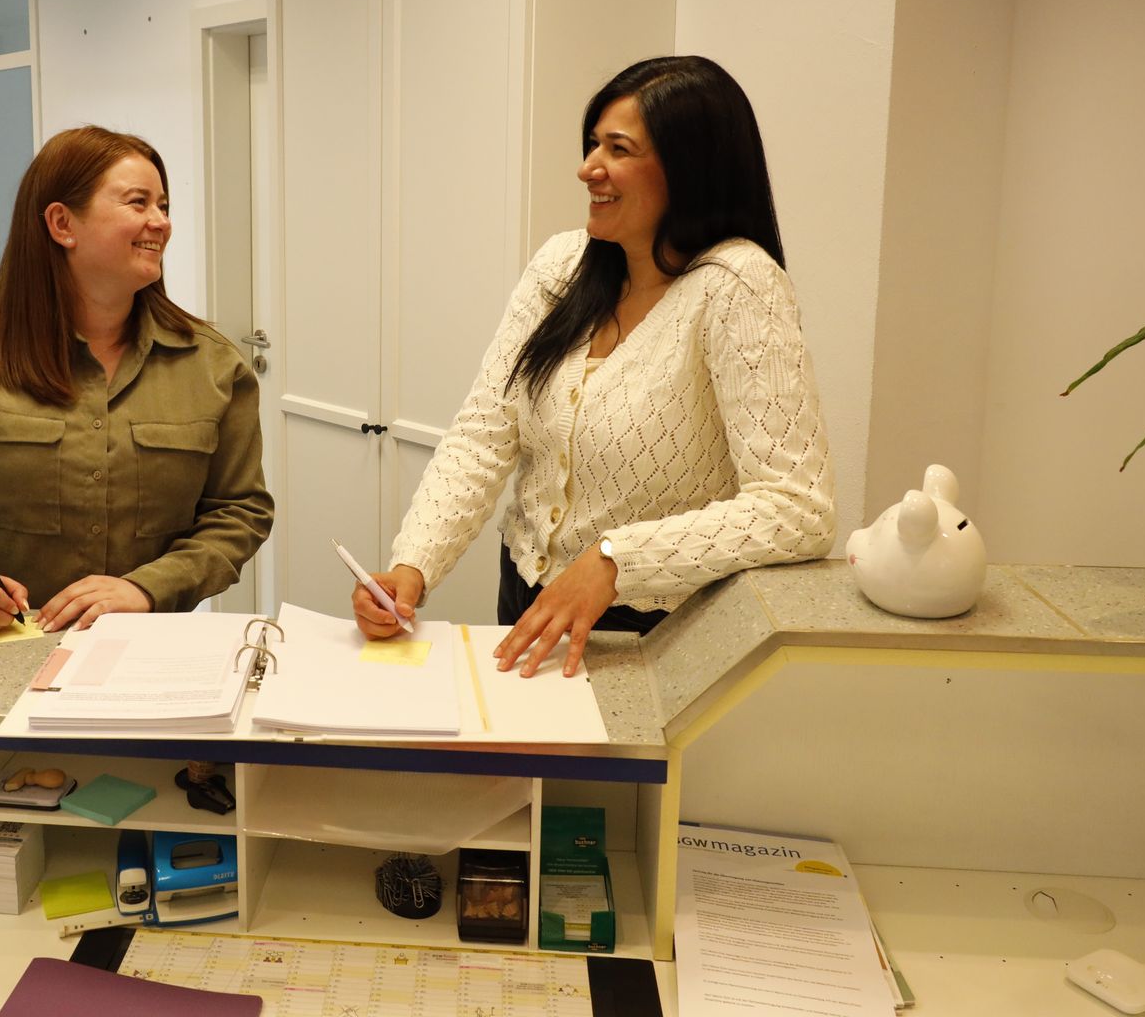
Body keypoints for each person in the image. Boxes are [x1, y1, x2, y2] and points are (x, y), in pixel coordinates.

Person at [351, 56, 835, 676]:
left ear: (690, 167)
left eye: (618, 148)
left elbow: (797, 508)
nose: (588, 168)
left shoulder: (739, 285)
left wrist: (614, 560)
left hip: (658, 632)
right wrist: (411, 567)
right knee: (526, 773)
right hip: (527, 599)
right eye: (591, 144)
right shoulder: (565, 264)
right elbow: (483, 436)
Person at [0, 125, 273, 635]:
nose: (161, 223)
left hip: (147, 652)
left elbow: (239, 511)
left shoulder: (212, 367)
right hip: (0, 647)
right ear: (62, 223)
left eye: (163, 206)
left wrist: (149, 587)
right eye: (138, 203)